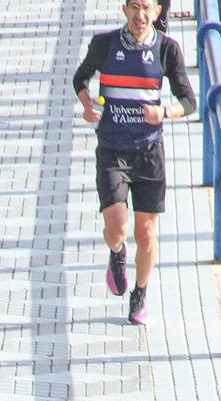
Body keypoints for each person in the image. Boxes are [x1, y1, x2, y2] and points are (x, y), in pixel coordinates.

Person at [72, 0, 196, 325]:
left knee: (146, 233)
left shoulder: (167, 49)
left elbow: (189, 101)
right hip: (113, 148)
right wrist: (87, 104)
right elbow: (80, 79)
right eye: (135, 7)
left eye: (147, 9)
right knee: (117, 229)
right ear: (125, 9)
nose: (140, 16)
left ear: (157, 12)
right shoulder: (105, 44)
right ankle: (117, 253)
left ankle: (139, 293)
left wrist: (165, 112)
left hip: (149, 152)